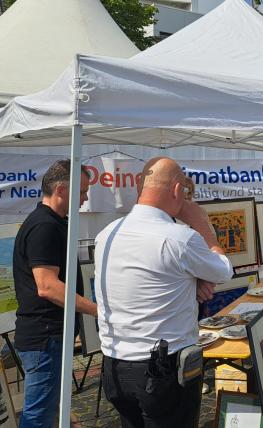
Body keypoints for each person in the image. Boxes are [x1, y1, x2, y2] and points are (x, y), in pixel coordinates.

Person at [95, 157, 233, 427]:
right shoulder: (180, 238)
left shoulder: (106, 235)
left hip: (115, 365)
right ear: (176, 190)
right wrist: (202, 225)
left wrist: (190, 281)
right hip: (163, 370)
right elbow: (223, 270)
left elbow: (145, 282)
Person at [13, 159, 98, 428]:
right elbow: (47, 286)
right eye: (82, 191)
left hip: (50, 336)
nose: (85, 199)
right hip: (45, 337)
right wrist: (98, 311)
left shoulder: (54, 222)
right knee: (38, 417)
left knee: (49, 410)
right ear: (62, 190)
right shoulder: (44, 226)